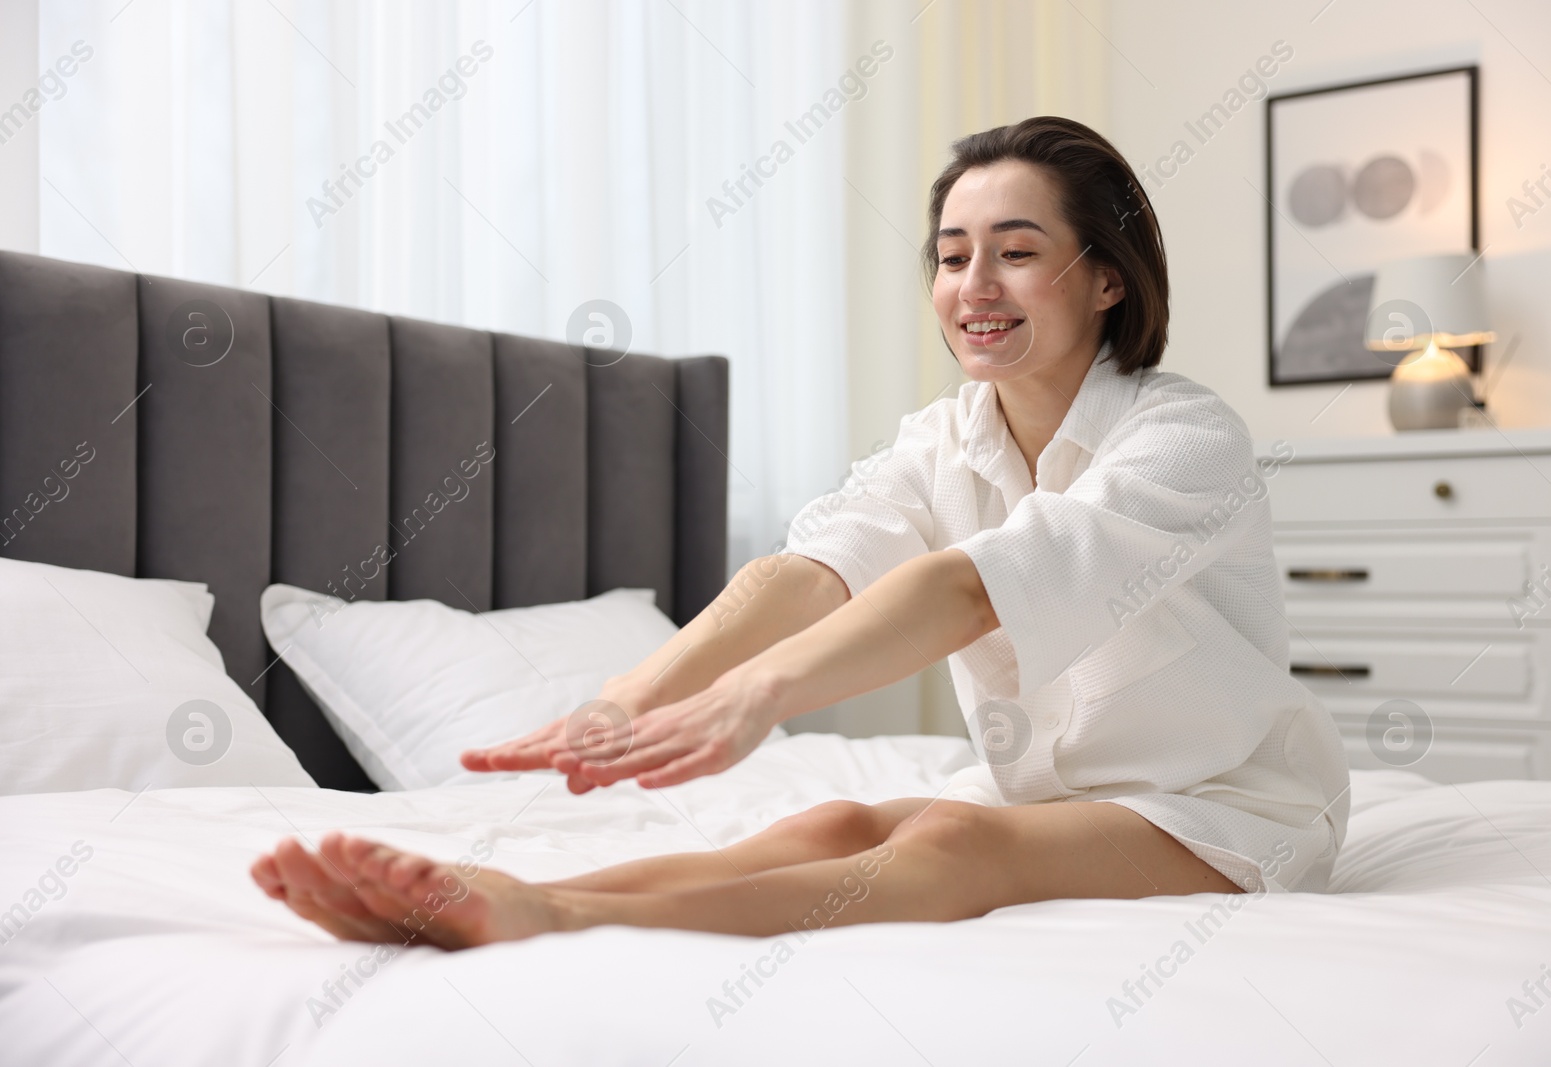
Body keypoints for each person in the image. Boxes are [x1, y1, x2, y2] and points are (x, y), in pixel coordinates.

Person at [252, 116, 1350, 948]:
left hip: (1226, 806)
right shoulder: (942, 438)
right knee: (832, 820)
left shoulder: (1182, 435)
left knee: (953, 840)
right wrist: (631, 696)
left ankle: (561, 914)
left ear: (1105, 276)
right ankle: (486, 894)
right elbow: (812, 568)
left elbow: (969, 588)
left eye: (1015, 251)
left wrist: (760, 693)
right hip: (1063, 796)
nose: (973, 284)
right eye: (951, 252)